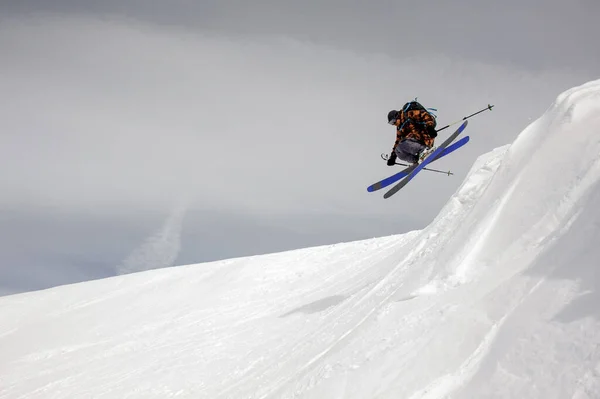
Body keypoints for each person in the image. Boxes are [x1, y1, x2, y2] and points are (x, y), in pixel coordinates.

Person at [386, 101, 438, 166]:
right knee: (398, 150)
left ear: (397, 116)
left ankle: (424, 150)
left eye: (393, 121)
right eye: (391, 123)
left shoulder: (407, 114)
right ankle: (416, 159)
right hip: (415, 141)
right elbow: (397, 142)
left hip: (424, 136)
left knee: (402, 144)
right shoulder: (400, 127)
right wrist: (392, 157)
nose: (394, 124)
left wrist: (430, 127)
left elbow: (424, 115)